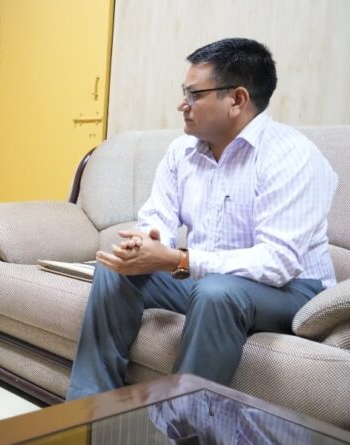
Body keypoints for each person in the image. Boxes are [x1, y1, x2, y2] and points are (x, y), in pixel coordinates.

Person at [66, 38, 337, 400]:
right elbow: (158, 215)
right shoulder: (182, 151)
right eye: (185, 93)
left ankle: (176, 422)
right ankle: (87, 409)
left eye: (194, 94)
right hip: (209, 280)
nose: (183, 104)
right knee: (116, 270)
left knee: (216, 292)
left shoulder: (291, 156)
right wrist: (146, 242)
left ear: (236, 99)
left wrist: (179, 260)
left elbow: (278, 262)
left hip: (290, 290)